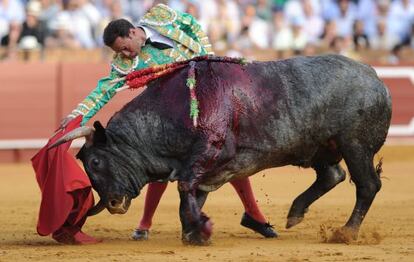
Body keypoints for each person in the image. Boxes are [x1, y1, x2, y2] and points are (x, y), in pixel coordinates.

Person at [59, 3, 276, 241]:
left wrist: (207, 58)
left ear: (132, 32)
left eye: (125, 48)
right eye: (120, 52)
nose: (126, 55)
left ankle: (254, 214)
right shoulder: (123, 64)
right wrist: (76, 116)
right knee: (160, 168)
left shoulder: (161, 16)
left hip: (206, 104)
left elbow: (191, 24)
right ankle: (144, 223)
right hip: (170, 117)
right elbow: (103, 91)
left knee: (226, 156)